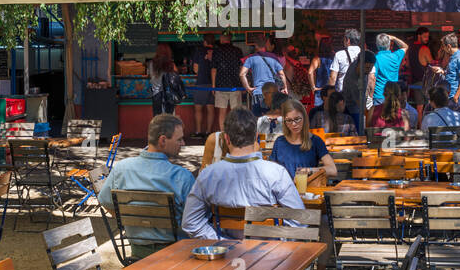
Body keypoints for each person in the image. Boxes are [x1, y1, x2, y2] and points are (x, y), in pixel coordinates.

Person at [181, 110, 305, 240]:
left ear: (227, 138)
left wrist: (221, 242)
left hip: (225, 256)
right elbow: (299, 220)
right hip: (270, 255)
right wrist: (276, 243)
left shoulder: (208, 175)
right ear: (256, 137)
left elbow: (191, 223)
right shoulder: (277, 173)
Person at [98, 113, 195, 258]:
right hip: (177, 255)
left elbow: (105, 201)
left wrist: (131, 221)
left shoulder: (121, 169)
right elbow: (196, 221)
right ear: (162, 140)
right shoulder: (182, 177)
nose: (183, 144)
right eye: (179, 139)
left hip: (137, 254)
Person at [271, 100, 336, 179]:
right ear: (284, 121)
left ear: (304, 117)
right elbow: (271, 171)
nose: (294, 124)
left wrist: (308, 171)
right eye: (289, 120)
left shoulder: (315, 141)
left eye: (297, 119)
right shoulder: (279, 142)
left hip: (306, 189)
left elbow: (333, 170)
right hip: (284, 189)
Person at [240, 35, 288, 115]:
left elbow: (242, 74)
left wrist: (248, 88)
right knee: (274, 115)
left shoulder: (251, 58)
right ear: (266, 44)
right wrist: (285, 87)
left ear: (255, 45)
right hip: (273, 92)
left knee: (259, 119)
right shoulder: (273, 57)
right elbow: (282, 74)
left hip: (258, 92)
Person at [210, 31, 245, 127]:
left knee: (222, 111)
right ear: (230, 39)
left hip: (221, 85)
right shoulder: (238, 51)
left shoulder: (216, 51)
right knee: (236, 112)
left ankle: (223, 133)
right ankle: (236, 132)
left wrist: (213, 86)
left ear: (222, 39)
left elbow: (214, 69)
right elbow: (241, 69)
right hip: (236, 84)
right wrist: (243, 84)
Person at [342, 48, 376, 134]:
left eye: (371, 68)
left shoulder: (361, 68)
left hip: (358, 104)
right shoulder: (352, 79)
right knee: (360, 132)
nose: (369, 71)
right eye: (368, 67)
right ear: (360, 64)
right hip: (351, 107)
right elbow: (359, 103)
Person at [189, 34, 216, 138]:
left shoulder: (199, 51)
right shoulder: (217, 51)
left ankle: (198, 132)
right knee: (211, 108)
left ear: (204, 41)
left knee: (198, 108)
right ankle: (208, 132)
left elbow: (195, 68)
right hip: (213, 84)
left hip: (201, 83)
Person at [371, 33, 409, 105]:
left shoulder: (375, 59)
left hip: (379, 95)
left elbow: (372, 78)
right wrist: (394, 38)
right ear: (389, 44)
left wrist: (369, 96)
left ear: (377, 44)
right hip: (393, 95)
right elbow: (405, 46)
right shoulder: (396, 56)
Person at [440, 32, 460, 112]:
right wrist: (442, 72)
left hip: (456, 98)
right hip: (450, 95)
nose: (443, 48)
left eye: (443, 46)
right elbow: (452, 74)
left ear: (449, 46)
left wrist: (456, 97)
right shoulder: (452, 57)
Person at [405, 27, 435, 107]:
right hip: (425, 82)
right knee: (430, 106)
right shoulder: (424, 48)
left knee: (419, 107)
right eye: (425, 36)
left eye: (428, 37)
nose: (427, 39)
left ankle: (419, 120)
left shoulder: (409, 48)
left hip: (414, 81)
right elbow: (433, 64)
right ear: (419, 36)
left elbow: (407, 64)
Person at [327, 29, 361, 93]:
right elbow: (371, 78)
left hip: (343, 93)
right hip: (359, 93)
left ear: (347, 40)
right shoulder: (364, 54)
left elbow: (333, 77)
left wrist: (330, 94)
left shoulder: (339, 55)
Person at [309, 36, 335, 114]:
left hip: (320, 90)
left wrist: (313, 86)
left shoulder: (317, 59)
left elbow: (310, 72)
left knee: (319, 115)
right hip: (332, 90)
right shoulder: (334, 57)